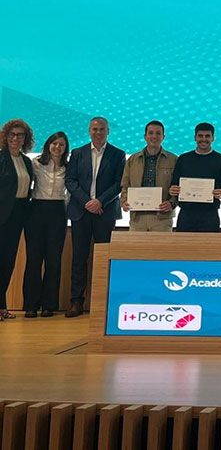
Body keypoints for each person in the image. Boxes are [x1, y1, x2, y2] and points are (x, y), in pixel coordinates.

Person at [65, 116, 126, 318]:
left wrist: (100, 201)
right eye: (94, 129)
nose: (98, 132)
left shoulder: (118, 154)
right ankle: (76, 302)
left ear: (108, 131)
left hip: (105, 212)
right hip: (81, 212)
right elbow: (71, 181)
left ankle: (103, 302)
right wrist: (87, 202)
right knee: (79, 259)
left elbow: (119, 183)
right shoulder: (78, 153)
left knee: (103, 258)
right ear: (89, 131)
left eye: (102, 129)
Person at [23, 132, 68, 318]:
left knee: (53, 261)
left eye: (62, 145)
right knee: (34, 260)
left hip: (58, 212)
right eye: (54, 143)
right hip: (36, 211)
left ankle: (49, 305)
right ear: (48, 145)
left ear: (66, 149)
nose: (57, 147)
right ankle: (31, 305)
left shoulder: (68, 166)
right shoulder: (35, 164)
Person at [0, 119, 34, 321]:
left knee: (8, 262)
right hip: (2, 215)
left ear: (25, 139)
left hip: (19, 215)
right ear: (6, 136)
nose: (15, 138)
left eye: (20, 135)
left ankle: (2, 307)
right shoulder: (1, 159)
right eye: (12, 134)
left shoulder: (26, 161)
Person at [169, 123, 221, 233]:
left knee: (209, 248)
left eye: (207, 136)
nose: (204, 139)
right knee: (183, 248)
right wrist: (173, 189)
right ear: (195, 137)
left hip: (210, 214)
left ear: (213, 138)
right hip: (186, 214)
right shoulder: (183, 159)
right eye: (200, 136)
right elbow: (174, 184)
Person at [120, 121, 177, 232]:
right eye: (150, 133)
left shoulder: (173, 159)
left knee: (161, 249)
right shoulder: (132, 160)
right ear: (145, 136)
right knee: (137, 249)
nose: (154, 136)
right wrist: (124, 202)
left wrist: (172, 203)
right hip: (137, 217)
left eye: (158, 133)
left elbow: (178, 187)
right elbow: (125, 185)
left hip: (162, 218)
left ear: (163, 137)